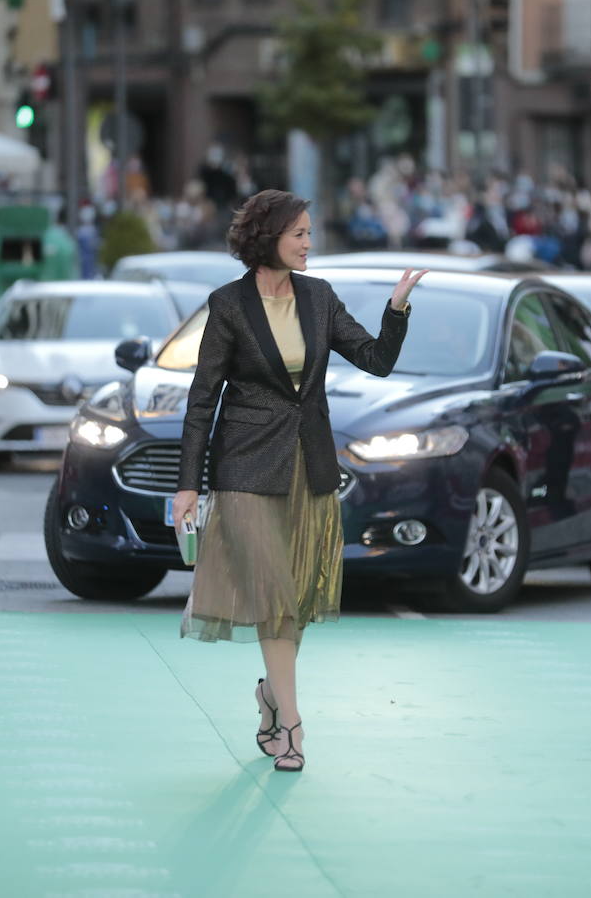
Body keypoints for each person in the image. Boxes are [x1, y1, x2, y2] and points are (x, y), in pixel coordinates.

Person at [171, 189, 423, 772]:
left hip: (308, 466)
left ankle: (270, 695)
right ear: (269, 239)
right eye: (300, 234)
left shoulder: (319, 297)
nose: (310, 243)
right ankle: (292, 723)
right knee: (274, 598)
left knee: (296, 599)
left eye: (310, 233)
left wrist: (398, 309)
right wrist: (188, 485)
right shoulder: (228, 305)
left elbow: (375, 359)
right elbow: (202, 399)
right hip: (244, 468)